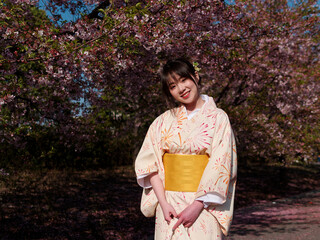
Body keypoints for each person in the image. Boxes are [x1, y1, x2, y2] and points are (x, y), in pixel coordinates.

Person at [135, 58, 237, 239]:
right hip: (168, 205)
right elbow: (149, 164)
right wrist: (163, 203)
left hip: (204, 204)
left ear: (195, 77)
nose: (181, 89)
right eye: (173, 86)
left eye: (184, 80)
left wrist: (197, 205)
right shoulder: (163, 121)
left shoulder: (218, 118)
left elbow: (222, 163)